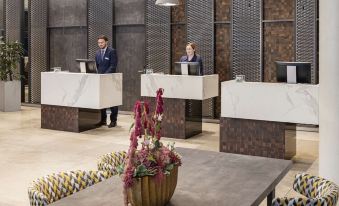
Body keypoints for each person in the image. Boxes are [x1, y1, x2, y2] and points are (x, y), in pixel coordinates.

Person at [95, 35, 118, 128]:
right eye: (99, 43)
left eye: (102, 42)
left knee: (112, 101)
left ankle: (113, 121)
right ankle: (103, 120)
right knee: (102, 101)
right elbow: (96, 66)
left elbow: (113, 66)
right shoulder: (97, 53)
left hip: (110, 80)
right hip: (100, 80)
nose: (100, 44)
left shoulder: (112, 51)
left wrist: (104, 75)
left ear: (106, 42)